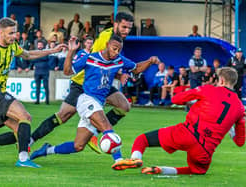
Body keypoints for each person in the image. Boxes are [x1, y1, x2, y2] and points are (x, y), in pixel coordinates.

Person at [30, 35, 160, 170]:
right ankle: (119, 160)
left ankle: (47, 150)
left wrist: (149, 61)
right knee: (106, 125)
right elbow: (68, 71)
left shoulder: (119, 60)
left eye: (119, 50)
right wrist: (71, 51)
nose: (116, 52)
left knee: (78, 146)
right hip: (86, 100)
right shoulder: (90, 58)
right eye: (114, 48)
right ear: (107, 44)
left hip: (99, 103)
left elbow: (136, 68)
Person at [28, 12, 135, 153]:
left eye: (129, 28)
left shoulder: (114, 37)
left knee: (124, 105)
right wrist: (120, 74)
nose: (126, 31)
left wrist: (120, 73)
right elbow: (99, 62)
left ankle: (94, 133)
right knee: (63, 115)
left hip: (100, 82)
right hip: (83, 82)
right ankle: (31, 140)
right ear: (115, 24)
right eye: (124, 27)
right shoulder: (106, 37)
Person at [0, 17, 67, 168]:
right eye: (10, 33)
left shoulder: (12, 46)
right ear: (1, 33)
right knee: (25, 116)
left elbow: (28, 55)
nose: (14, 36)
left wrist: (52, 50)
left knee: (20, 133)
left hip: (0, 94)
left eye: (15, 32)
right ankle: (23, 158)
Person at [113, 67, 245, 175]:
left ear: (221, 80)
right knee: (197, 171)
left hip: (186, 134)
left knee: (142, 140)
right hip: (206, 148)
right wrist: (231, 130)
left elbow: (176, 100)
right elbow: (240, 142)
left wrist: (193, 97)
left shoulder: (208, 89)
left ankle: (136, 159)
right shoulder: (240, 107)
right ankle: (161, 170)